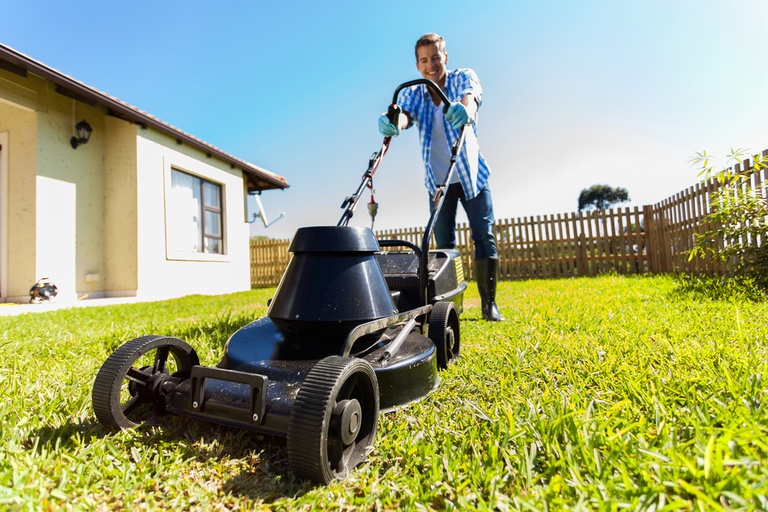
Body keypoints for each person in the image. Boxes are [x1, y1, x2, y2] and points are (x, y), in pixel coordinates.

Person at [378, 32, 503, 322]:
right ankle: (451, 308)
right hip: (438, 182)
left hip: (472, 176)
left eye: (435, 57)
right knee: (444, 246)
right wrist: (393, 122)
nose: (431, 64)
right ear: (417, 65)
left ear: (445, 57)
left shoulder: (462, 77)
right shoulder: (415, 92)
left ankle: (489, 304)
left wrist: (466, 108)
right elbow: (405, 116)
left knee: (484, 237)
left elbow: (472, 96)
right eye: (424, 60)